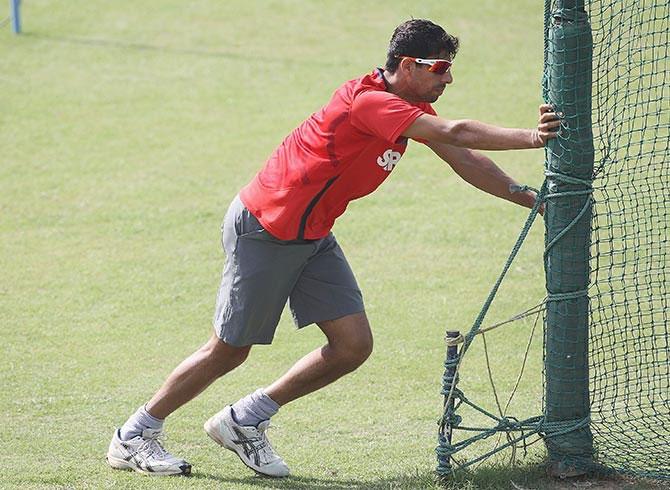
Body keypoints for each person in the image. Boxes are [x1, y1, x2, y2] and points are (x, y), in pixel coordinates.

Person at [106, 18, 559, 477]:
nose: (448, 78)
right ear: (408, 65)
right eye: (440, 67)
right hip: (267, 228)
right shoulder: (370, 102)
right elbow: (458, 133)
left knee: (352, 344)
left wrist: (528, 198)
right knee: (229, 350)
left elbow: (461, 155)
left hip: (312, 233)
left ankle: (244, 421)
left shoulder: (409, 103)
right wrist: (533, 138)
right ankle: (134, 435)